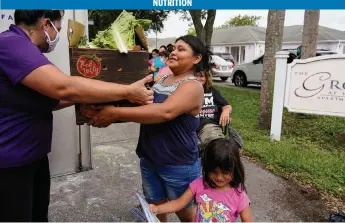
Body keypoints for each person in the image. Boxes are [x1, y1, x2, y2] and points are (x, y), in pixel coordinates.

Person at [0, 10, 153, 222]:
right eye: (59, 29)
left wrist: (88, 99)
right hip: (10, 164)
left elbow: (51, 98)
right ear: (46, 24)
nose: (57, 37)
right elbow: (63, 87)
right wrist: (127, 91)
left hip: (32, 156)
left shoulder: (26, 49)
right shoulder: (11, 44)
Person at [88, 35, 211, 222]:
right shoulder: (163, 78)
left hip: (177, 164)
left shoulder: (193, 86)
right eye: (174, 48)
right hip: (149, 158)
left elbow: (164, 112)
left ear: (197, 58)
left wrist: (114, 113)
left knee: (186, 214)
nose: (174, 53)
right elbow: (144, 106)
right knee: (155, 208)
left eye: (181, 49)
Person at [149, 138, 254, 222]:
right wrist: (157, 209)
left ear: (235, 169)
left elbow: (247, 220)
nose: (219, 177)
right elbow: (178, 203)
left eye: (225, 173)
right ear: (207, 168)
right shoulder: (199, 184)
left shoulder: (239, 194)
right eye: (214, 172)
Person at [196, 70, 232, 151]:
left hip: (208, 125)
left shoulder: (212, 91)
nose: (198, 78)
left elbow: (226, 106)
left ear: (206, 78)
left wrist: (226, 111)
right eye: (196, 76)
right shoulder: (186, 91)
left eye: (201, 76)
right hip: (190, 126)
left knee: (217, 146)